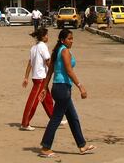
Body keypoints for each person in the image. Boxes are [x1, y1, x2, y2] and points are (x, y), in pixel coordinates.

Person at [39, 28, 95, 157]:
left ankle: (82, 145)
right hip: (62, 89)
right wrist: (80, 86)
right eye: (69, 39)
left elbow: (50, 71)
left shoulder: (57, 51)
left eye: (72, 39)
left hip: (59, 88)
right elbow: (69, 71)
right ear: (62, 40)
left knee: (73, 118)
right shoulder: (64, 51)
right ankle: (45, 147)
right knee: (56, 118)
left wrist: (45, 87)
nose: (72, 41)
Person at [21, 27, 55, 131]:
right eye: (46, 35)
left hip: (38, 77)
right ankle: (25, 123)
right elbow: (48, 61)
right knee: (33, 102)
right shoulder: (43, 46)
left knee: (47, 100)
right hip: (40, 78)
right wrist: (55, 71)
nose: (47, 37)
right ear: (43, 37)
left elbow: (30, 63)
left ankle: (55, 119)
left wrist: (26, 77)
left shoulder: (34, 47)